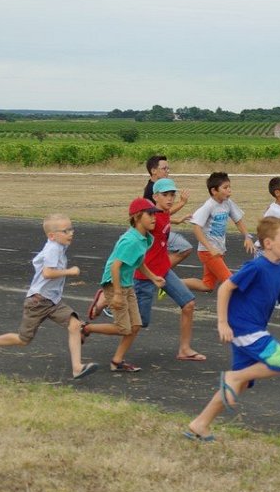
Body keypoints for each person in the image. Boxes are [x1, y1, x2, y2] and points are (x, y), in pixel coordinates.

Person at [185, 217, 280, 442]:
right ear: (268, 243)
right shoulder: (256, 267)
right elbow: (225, 288)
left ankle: (200, 424)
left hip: (253, 330)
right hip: (243, 329)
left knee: (241, 384)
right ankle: (233, 376)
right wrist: (222, 323)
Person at [88, 179, 206, 361]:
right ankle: (101, 306)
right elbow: (133, 234)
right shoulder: (149, 220)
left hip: (163, 271)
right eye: (165, 195)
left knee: (188, 304)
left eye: (172, 195)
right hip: (144, 276)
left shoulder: (162, 213)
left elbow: (167, 215)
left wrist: (181, 208)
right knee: (138, 323)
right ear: (155, 197)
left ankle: (184, 349)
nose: (170, 198)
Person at [0, 213, 98, 379]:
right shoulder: (53, 249)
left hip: (52, 301)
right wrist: (70, 271)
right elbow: (47, 273)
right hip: (38, 302)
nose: (71, 233)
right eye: (66, 231)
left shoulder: (58, 245)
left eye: (71, 229)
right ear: (52, 236)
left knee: (74, 325)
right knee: (23, 339)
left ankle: (77, 368)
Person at [81, 198, 165, 372]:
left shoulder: (146, 238)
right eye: (150, 214)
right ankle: (85, 328)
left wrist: (153, 277)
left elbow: (138, 261)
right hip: (114, 284)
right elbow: (115, 266)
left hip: (126, 284)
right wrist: (117, 294)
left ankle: (117, 361)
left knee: (135, 326)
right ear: (137, 217)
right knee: (123, 328)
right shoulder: (130, 240)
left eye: (154, 214)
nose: (154, 218)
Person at [187, 171, 255, 293]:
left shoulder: (228, 203)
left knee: (207, 286)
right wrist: (210, 249)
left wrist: (247, 236)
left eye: (229, 187)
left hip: (219, 250)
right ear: (214, 191)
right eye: (225, 187)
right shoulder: (209, 206)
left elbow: (238, 220)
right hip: (207, 252)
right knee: (231, 281)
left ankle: (173, 284)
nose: (229, 190)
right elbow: (196, 228)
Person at [142, 154, 193, 268]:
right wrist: (182, 202)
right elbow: (159, 215)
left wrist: (176, 221)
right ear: (153, 171)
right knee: (184, 247)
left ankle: (159, 271)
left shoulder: (155, 186)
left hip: (160, 229)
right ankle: (158, 271)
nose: (167, 171)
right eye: (164, 168)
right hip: (155, 233)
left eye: (168, 168)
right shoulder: (152, 191)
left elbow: (160, 215)